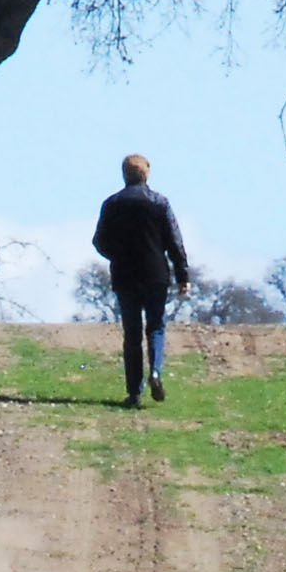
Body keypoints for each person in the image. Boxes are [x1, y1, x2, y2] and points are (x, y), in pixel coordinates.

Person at [90, 155, 190, 407]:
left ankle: (134, 392)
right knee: (155, 326)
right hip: (156, 274)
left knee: (132, 333)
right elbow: (174, 242)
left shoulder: (112, 204)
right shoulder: (160, 203)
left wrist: (117, 255)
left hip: (125, 274)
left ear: (124, 175)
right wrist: (182, 275)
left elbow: (99, 241)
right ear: (147, 174)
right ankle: (155, 372)